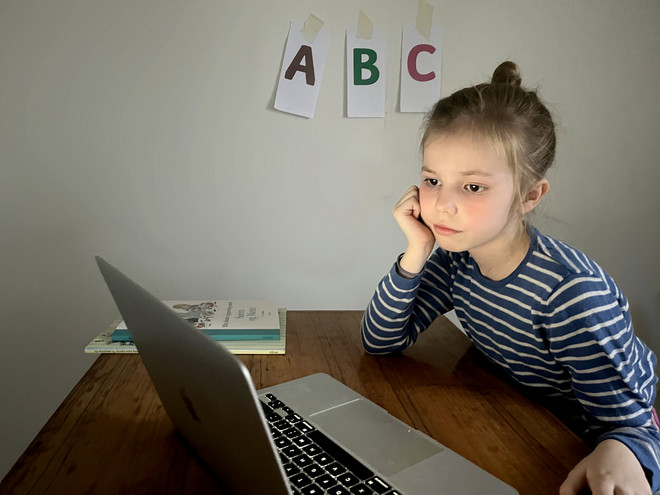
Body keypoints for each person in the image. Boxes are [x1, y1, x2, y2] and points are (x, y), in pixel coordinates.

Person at [360, 61, 659, 494]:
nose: (442, 205)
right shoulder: (455, 260)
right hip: (522, 416)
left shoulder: (572, 295)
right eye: (432, 180)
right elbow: (381, 340)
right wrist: (416, 251)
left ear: (528, 195)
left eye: (473, 187)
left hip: (600, 437)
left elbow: (633, 428)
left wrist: (620, 449)